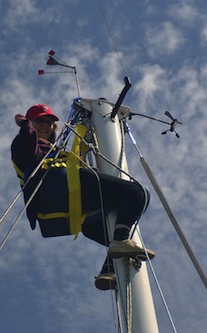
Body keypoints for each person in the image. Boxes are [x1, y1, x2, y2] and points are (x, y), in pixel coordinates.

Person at [11, 104, 155, 290]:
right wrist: (24, 125)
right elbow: (28, 148)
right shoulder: (25, 144)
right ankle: (120, 241)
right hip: (62, 187)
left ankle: (110, 269)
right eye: (39, 121)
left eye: (48, 122)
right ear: (30, 123)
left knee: (102, 225)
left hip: (66, 198)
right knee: (137, 193)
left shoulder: (53, 151)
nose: (44, 125)